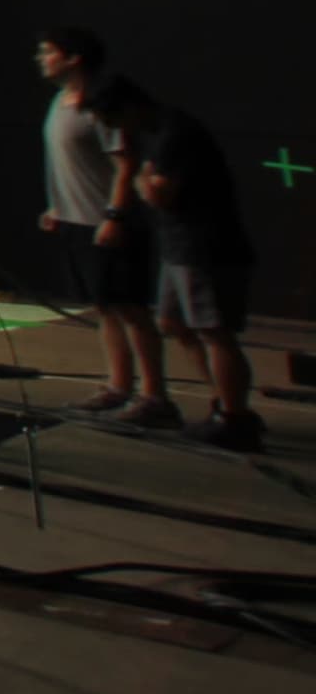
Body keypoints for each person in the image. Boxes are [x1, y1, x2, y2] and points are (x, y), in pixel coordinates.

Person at [120, 82, 262, 449]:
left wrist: (137, 176)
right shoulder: (155, 133)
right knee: (173, 322)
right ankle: (223, 402)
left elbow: (158, 193)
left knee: (214, 331)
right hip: (178, 245)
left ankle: (236, 418)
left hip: (204, 247)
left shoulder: (175, 133)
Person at [35, 25, 160, 417]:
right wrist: (58, 207)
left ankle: (155, 397)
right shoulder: (59, 103)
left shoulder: (102, 106)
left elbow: (127, 165)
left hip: (109, 224)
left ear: (73, 58)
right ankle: (118, 386)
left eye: (48, 51)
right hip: (76, 222)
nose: (41, 58)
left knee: (132, 310)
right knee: (105, 308)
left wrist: (115, 216)